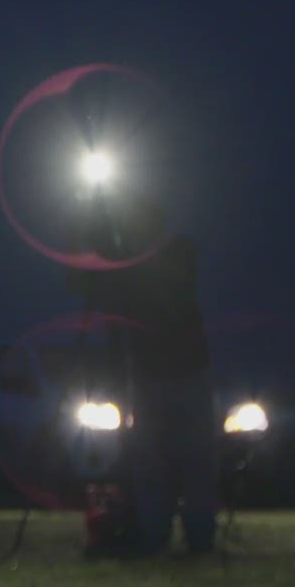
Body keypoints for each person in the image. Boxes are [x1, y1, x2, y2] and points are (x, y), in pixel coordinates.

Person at [71, 213, 216, 555]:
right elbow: (88, 288)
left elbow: (163, 291)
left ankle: (195, 534)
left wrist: (110, 253)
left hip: (183, 370)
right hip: (154, 372)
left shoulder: (177, 253)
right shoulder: (134, 268)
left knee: (189, 459)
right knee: (153, 461)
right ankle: (157, 534)